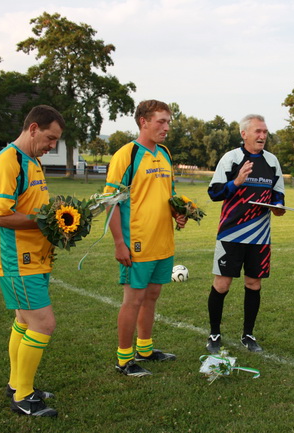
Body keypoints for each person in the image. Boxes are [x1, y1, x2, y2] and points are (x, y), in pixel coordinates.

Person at [0, 105, 65, 417]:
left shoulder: (33, 160)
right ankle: (23, 398)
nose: (52, 146)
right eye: (50, 138)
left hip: (36, 257)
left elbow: (33, 207)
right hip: (18, 260)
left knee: (24, 321)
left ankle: (18, 384)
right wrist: (47, 221)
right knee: (43, 323)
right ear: (33, 129)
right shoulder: (9, 161)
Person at [105, 100, 187, 377]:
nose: (166, 127)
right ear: (143, 121)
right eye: (161, 121)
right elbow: (111, 203)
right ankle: (124, 360)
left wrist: (179, 213)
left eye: (168, 122)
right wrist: (119, 243)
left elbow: (168, 194)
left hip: (163, 241)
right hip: (137, 242)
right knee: (133, 299)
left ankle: (145, 348)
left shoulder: (164, 153)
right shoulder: (126, 155)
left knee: (152, 296)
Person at [205, 114, 286, 354]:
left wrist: (278, 206)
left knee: (253, 284)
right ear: (244, 134)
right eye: (258, 131)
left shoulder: (272, 161)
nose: (262, 136)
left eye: (265, 131)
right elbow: (214, 193)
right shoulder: (231, 159)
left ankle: (248, 335)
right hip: (231, 233)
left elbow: (278, 194)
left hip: (260, 236)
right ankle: (214, 334)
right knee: (222, 284)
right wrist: (237, 182)